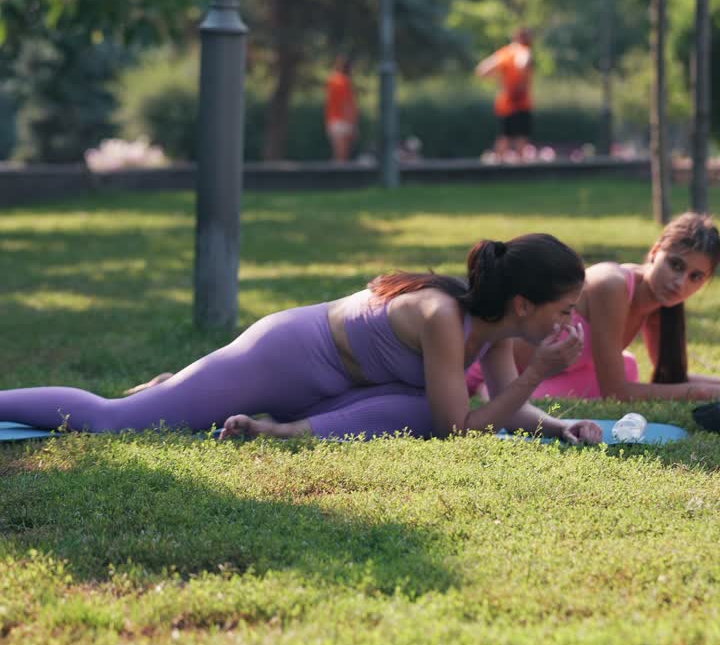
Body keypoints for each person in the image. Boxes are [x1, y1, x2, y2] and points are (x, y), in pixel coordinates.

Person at [0, 234, 602, 445]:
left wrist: (557, 427)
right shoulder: (446, 316)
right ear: (525, 304)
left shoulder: (494, 331)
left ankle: (268, 425)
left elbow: (499, 408)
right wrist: (536, 372)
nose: (570, 322)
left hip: (331, 393)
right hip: (285, 358)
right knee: (117, 423)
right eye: (565, 309)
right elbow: (459, 432)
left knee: (424, 406)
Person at [466, 212, 720, 402]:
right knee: (624, 375)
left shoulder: (660, 307)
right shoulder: (612, 284)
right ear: (655, 251)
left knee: (628, 367)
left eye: (695, 277)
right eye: (675, 265)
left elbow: (671, 379)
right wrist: (700, 393)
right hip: (484, 364)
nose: (680, 283)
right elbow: (616, 392)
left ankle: (500, 392)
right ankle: (496, 391)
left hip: (540, 374)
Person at [476, 28, 534, 158]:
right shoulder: (523, 51)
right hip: (520, 101)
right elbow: (522, 63)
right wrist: (520, 79)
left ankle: (498, 168)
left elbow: (482, 70)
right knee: (521, 138)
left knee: (504, 137)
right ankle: (521, 169)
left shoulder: (504, 53)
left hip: (505, 102)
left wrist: (499, 78)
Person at [324, 55, 358, 162]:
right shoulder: (344, 81)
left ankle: (336, 176)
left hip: (333, 120)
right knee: (343, 155)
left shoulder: (332, 80)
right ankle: (339, 177)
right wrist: (353, 124)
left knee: (338, 154)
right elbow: (347, 105)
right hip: (343, 121)